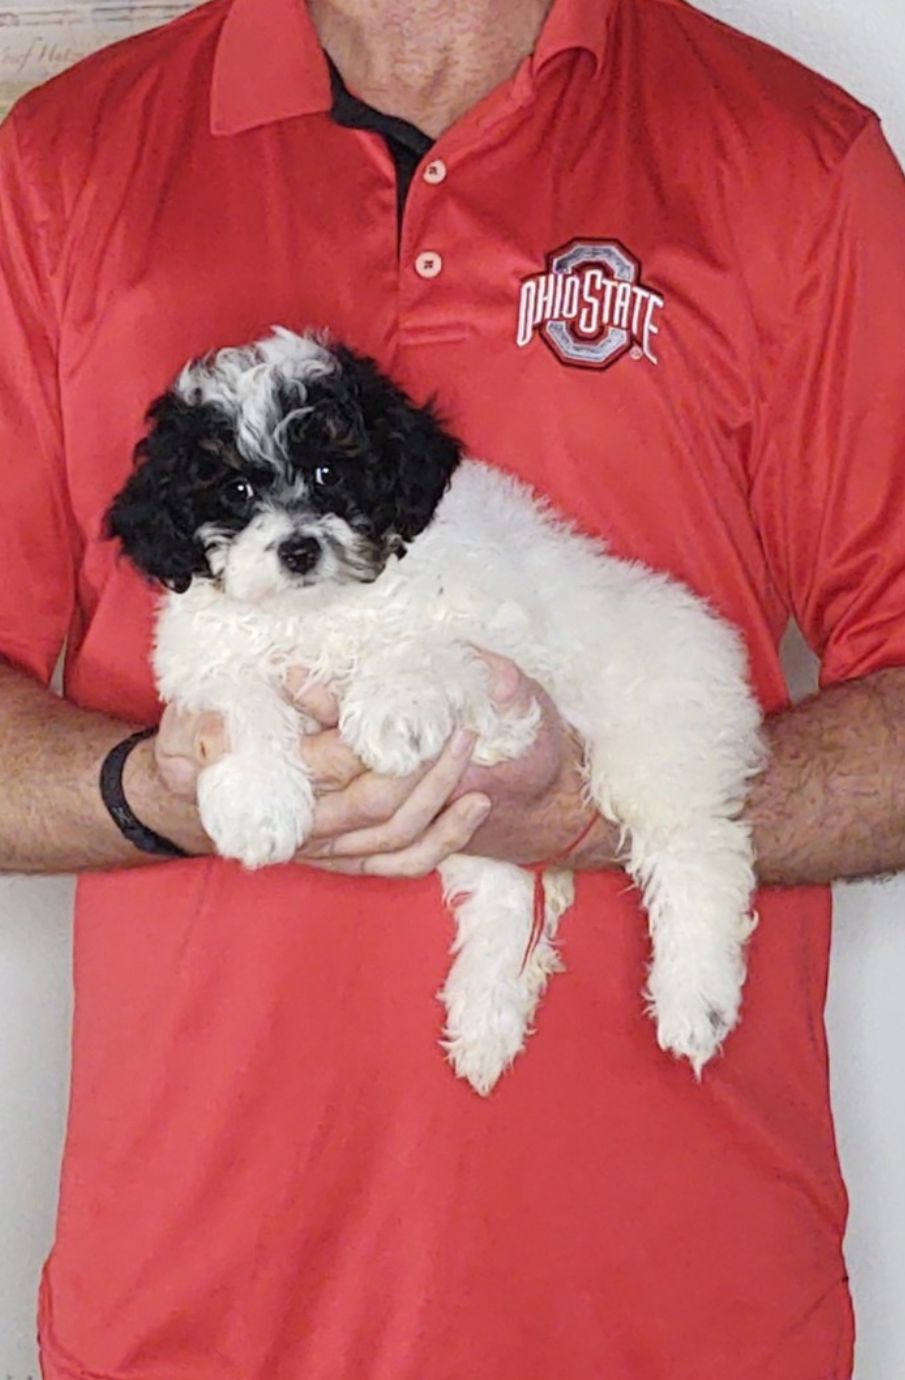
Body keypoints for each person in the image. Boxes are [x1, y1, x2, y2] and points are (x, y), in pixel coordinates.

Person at [1, 0, 904, 1374]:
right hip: (191, 1311)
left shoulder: (788, 156)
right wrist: (152, 790)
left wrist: (589, 813)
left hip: (676, 1306)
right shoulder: (61, 163)